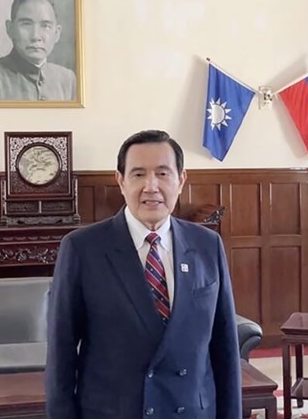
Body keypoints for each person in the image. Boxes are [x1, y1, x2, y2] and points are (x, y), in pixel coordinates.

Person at [46, 130, 242, 419]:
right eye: (138, 175)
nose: (151, 186)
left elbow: (225, 349)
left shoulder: (207, 245)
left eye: (163, 173)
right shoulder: (82, 249)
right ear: (120, 181)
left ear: (181, 179)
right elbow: (60, 356)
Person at [0, 0, 76, 101]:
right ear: (10, 29)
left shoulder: (67, 79)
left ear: (57, 33)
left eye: (45, 26)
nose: (36, 36)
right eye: (26, 24)